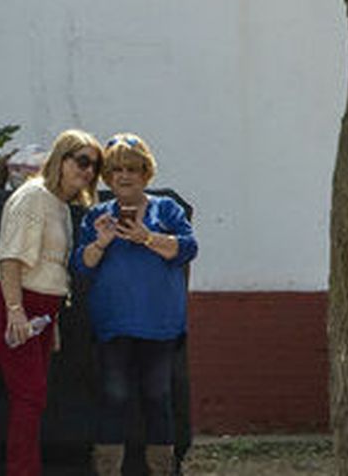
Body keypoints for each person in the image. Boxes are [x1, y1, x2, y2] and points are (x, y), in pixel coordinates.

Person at [71, 133, 197, 476]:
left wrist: (146, 237)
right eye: (115, 170)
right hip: (112, 324)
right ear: (107, 176)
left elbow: (187, 248)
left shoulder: (166, 208)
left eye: (132, 169)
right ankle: (108, 470)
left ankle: (162, 470)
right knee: (114, 396)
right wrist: (101, 241)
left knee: (157, 395)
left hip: (160, 325)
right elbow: (81, 265)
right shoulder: (97, 215)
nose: (124, 176)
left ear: (146, 173)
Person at [0, 129, 103, 476]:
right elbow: (10, 259)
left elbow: (51, 269)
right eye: (81, 161)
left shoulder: (61, 205)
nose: (88, 171)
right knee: (29, 395)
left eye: (94, 165)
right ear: (60, 160)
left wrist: (53, 322)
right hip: (17, 302)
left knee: (32, 398)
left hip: (43, 310)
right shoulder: (33, 196)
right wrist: (15, 310)